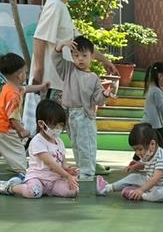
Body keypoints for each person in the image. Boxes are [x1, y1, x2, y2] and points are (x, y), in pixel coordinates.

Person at [22, 0, 116, 132]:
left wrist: (104, 60)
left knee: (53, 130)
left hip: (59, 82)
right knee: (46, 130)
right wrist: (39, 72)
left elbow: (80, 42)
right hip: (50, 83)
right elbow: (39, 38)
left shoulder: (61, 7)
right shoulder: (55, 6)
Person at [0, 99, 78, 198]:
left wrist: (69, 169)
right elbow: (51, 163)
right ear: (41, 124)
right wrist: (67, 176)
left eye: (60, 126)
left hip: (55, 180)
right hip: (38, 178)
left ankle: (47, 190)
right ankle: (10, 187)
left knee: (73, 191)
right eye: (54, 125)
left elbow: (63, 163)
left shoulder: (59, 142)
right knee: (33, 192)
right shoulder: (37, 141)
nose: (57, 129)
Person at [52, 36, 105, 180]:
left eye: (84, 55)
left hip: (84, 115)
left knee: (86, 145)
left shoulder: (93, 77)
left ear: (92, 56)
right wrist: (62, 44)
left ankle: (87, 174)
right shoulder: (68, 69)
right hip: (69, 114)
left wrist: (105, 94)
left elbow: (99, 99)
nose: (80, 59)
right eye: (76, 55)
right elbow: (56, 59)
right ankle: (82, 170)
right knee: (75, 144)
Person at [96, 122, 163, 202]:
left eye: (140, 149)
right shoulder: (149, 153)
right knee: (133, 177)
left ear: (152, 144)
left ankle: (141, 195)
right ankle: (107, 188)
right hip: (150, 183)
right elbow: (143, 164)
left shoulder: (162, 158)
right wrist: (133, 167)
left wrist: (141, 190)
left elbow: (155, 179)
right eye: (135, 150)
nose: (137, 153)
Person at [0, 53, 47, 174]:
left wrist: (41, 87)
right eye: (25, 72)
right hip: (5, 129)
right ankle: (22, 171)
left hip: (2, 128)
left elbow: (27, 89)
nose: (26, 75)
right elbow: (13, 117)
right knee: (18, 151)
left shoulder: (10, 87)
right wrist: (21, 130)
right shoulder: (13, 95)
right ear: (19, 75)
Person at [143, 61, 163, 153]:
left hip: (150, 122)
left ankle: (136, 159)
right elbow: (162, 107)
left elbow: (158, 105)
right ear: (160, 76)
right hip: (155, 124)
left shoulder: (151, 89)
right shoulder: (157, 91)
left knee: (147, 144)